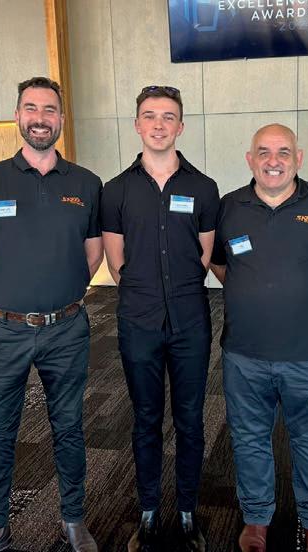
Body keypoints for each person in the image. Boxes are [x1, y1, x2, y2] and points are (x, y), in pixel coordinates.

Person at [0, 76, 103, 552]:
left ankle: (73, 520)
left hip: (67, 329)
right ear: (18, 116)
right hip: (4, 330)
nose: (41, 118)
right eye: (31, 108)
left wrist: (63, 292)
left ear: (61, 119)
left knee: (69, 428)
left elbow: (93, 254)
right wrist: (13, 292)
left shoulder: (86, 184)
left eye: (49, 110)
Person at [210, 124, 308, 552]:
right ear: (250, 159)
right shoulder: (228, 207)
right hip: (245, 354)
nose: (273, 161)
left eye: (283, 152)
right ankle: (256, 519)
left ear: (299, 158)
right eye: (263, 152)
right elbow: (220, 265)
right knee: (249, 437)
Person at [101, 86, 219, 551]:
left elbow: (204, 256)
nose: (158, 124)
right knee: (146, 418)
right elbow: (116, 262)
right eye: (149, 115)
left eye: (168, 116)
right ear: (137, 125)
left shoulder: (203, 188)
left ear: (180, 127)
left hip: (190, 321)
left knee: (190, 419)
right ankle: (148, 511)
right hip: (139, 320)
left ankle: (187, 511)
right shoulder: (116, 190)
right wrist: (147, 292)